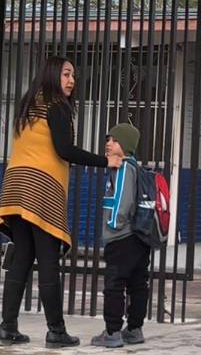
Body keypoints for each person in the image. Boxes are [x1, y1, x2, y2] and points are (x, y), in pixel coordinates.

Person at [0, 56, 121, 349]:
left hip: (15, 186)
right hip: (41, 186)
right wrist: (106, 161)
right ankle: (56, 331)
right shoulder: (56, 106)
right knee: (48, 260)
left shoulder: (28, 105)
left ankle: (7, 328)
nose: (71, 80)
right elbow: (65, 150)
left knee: (21, 259)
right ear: (52, 74)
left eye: (73, 75)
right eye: (65, 74)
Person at [90, 123, 149, 348]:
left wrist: (113, 225)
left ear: (125, 145)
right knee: (138, 283)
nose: (108, 143)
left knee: (114, 284)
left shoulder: (123, 168)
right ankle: (134, 329)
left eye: (114, 140)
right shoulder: (137, 168)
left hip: (122, 237)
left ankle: (112, 331)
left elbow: (122, 202)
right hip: (139, 238)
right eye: (108, 139)